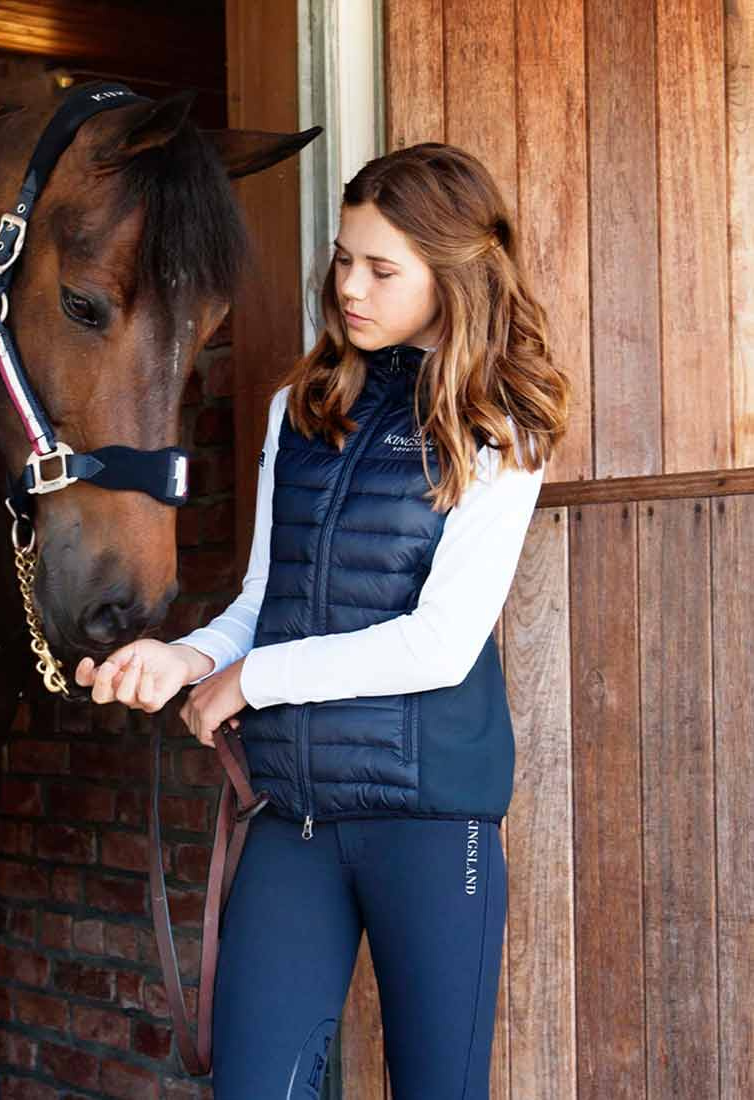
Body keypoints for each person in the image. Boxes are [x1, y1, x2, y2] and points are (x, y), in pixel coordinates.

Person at [74, 143, 570, 1099]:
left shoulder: (499, 427)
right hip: (294, 820)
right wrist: (184, 659)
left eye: (382, 269)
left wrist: (251, 682)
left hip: (432, 825)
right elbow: (266, 604)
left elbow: (440, 644)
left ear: (454, 274)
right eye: (344, 258)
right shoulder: (299, 411)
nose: (349, 286)